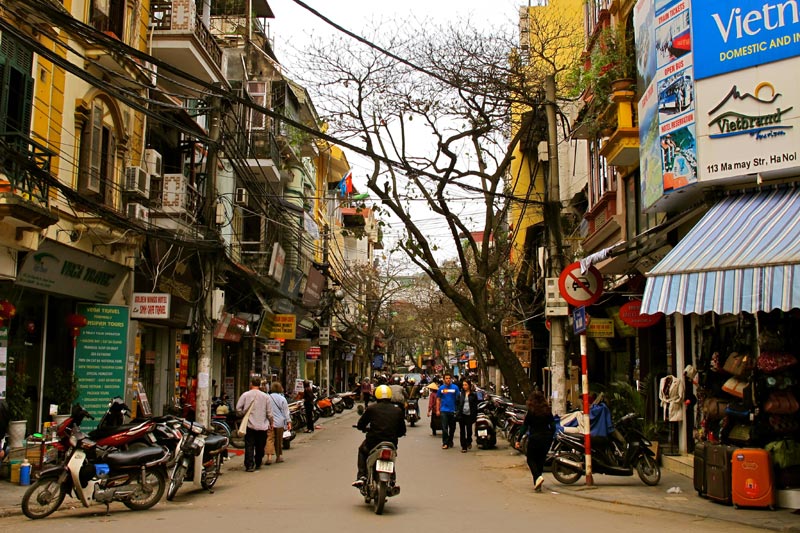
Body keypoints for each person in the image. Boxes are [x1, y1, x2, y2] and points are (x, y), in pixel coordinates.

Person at [352, 384, 406, 487]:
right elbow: (402, 430)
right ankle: (392, 478)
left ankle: (362, 476)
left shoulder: (372, 409)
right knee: (391, 456)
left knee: (362, 451)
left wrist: (362, 428)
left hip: (373, 442)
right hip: (391, 442)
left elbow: (361, 424)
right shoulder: (397, 410)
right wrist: (397, 433)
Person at [516, 390, 555, 492]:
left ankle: (538, 477)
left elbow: (525, 426)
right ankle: (537, 484)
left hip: (534, 438)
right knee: (540, 461)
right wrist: (550, 436)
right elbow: (553, 426)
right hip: (546, 439)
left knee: (531, 459)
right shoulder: (547, 411)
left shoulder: (531, 412)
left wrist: (519, 439)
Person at [236, 377, 274, 472]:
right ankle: (258, 462)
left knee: (249, 445)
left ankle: (249, 465)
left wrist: (244, 413)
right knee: (260, 445)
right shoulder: (266, 397)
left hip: (250, 425)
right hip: (262, 426)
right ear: (260, 385)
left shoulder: (245, 395)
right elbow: (269, 412)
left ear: (251, 383)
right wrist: (271, 422)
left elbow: (238, 408)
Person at [265, 382, 291, 465]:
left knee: (269, 439)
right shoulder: (282, 399)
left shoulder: (267, 398)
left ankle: (269, 457)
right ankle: (278, 456)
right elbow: (286, 412)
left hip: (269, 422)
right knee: (279, 440)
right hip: (280, 422)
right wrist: (288, 422)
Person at [437, 374, 460, 449]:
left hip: (453, 410)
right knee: (444, 427)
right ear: (444, 379)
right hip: (444, 410)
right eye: (446, 378)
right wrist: (437, 410)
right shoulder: (441, 388)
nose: (448, 379)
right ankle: (445, 443)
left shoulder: (455, 388)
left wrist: (458, 409)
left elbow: (458, 399)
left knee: (452, 428)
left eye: (449, 378)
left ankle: (450, 440)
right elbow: (438, 399)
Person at [456, 380, 479, 453]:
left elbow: (475, 405)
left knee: (469, 430)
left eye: (465, 385)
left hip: (470, 415)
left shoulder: (473, 394)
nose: (464, 386)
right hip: (462, 415)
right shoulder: (460, 394)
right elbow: (457, 403)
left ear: (469, 385)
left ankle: (469, 441)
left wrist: (475, 414)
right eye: (463, 385)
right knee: (462, 431)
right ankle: (464, 446)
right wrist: (457, 412)